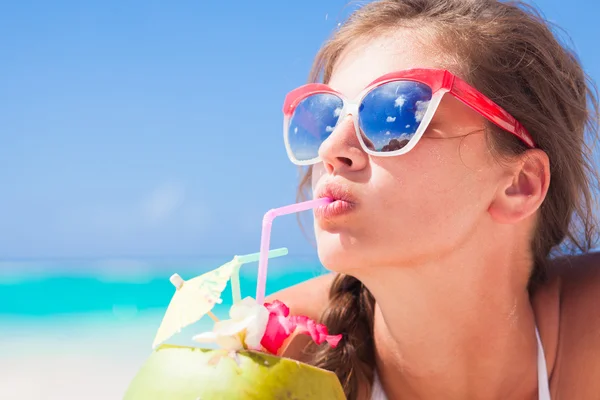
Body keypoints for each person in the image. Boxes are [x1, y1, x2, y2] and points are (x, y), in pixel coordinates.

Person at [266, 0, 600, 399]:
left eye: (395, 114)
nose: (332, 149)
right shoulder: (272, 350)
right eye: (326, 118)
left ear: (520, 184)